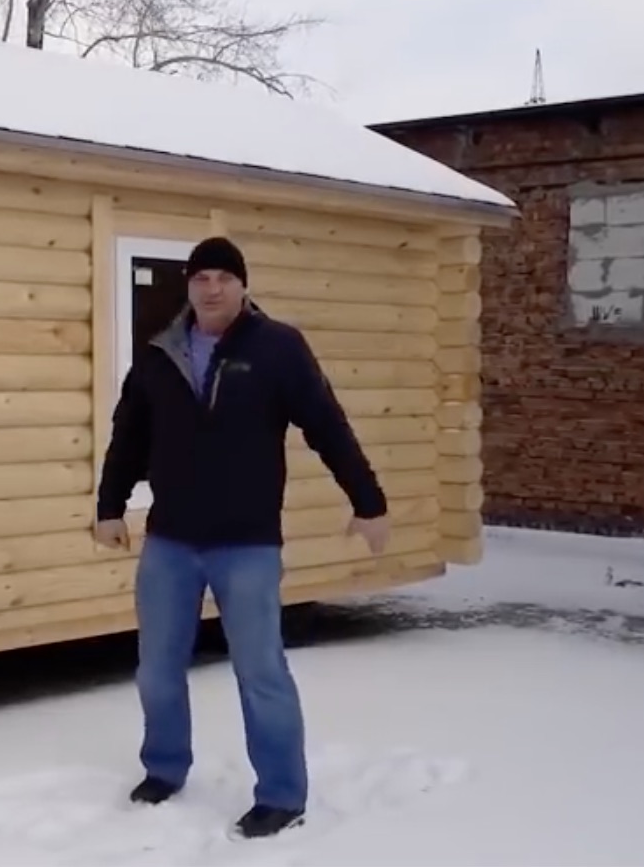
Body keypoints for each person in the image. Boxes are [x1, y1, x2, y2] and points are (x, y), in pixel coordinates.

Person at [92, 235, 391, 840]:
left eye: (223, 277)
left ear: (242, 284)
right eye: (201, 277)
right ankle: (166, 768)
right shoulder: (159, 352)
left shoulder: (277, 347)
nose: (211, 287)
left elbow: (327, 425)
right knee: (157, 667)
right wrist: (110, 506)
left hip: (247, 543)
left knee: (260, 669)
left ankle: (282, 793)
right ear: (189, 286)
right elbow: (129, 435)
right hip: (171, 541)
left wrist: (368, 502)